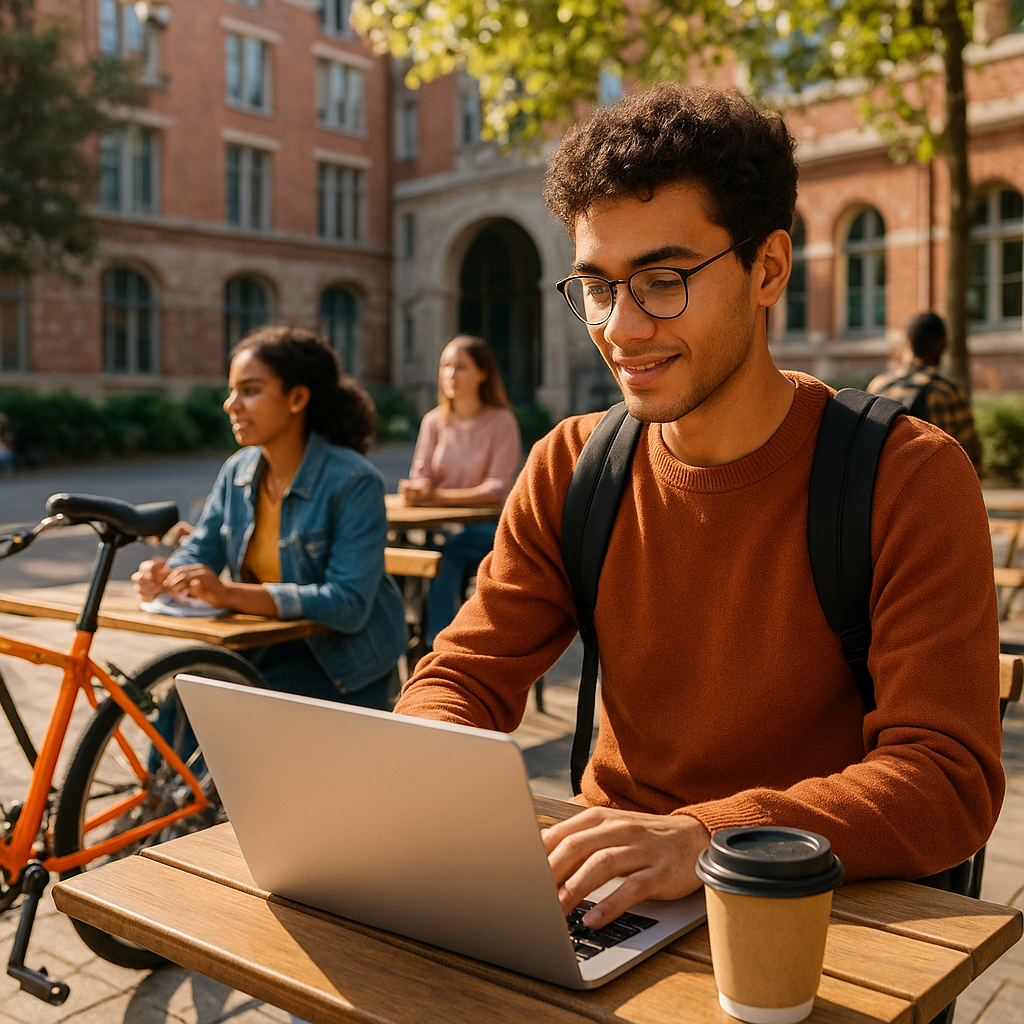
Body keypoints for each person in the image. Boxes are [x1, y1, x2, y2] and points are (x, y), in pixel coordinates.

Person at [395, 84, 1004, 934]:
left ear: (769, 269)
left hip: (812, 920)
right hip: (607, 906)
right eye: (598, 286)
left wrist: (701, 838)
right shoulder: (571, 464)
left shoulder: (907, 476)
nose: (620, 327)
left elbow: (945, 780)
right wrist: (422, 766)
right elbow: (461, 675)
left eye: (664, 280)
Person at [132, 325, 406, 709]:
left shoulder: (354, 481)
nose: (231, 404)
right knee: (181, 707)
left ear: (297, 398)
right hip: (263, 642)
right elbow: (201, 549)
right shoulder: (237, 470)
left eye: (250, 390)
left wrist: (229, 593)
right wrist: (169, 575)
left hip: (341, 664)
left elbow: (348, 604)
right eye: (232, 391)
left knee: (225, 716)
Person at [397, 335, 521, 648]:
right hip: (438, 527)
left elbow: (496, 490)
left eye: (461, 367)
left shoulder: (501, 422)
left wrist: (433, 496)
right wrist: (417, 489)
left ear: (482, 373)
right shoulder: (434, 422)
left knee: (449, 553)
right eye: (446, 366)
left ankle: (438, 646)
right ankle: (398, 641)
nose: (451, 375)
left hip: (488, 530)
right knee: (390, 550)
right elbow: (421, 475)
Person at [868, 311, 983, 472]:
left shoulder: (879, 386)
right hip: (932, 488)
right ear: (943, 343)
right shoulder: (947, 392)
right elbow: (969, 456)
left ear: (908, 342)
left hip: (885, 488)